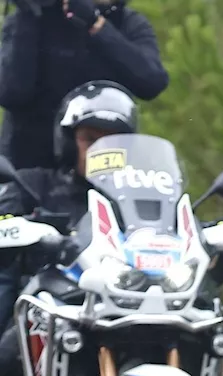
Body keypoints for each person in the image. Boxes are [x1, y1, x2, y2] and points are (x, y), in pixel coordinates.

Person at [0, 80, 139, 376]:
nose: (100, 149)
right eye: (90, 138)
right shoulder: (36, 184)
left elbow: (179, 225)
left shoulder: (139, 199)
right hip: (57, 304)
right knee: (7, 356)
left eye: (111, 140)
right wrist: (19, 226)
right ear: (69, 141)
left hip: (127, 306)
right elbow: (5, 219)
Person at [0, 0, 167, 332]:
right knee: (6, 273)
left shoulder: (127, 24)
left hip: (105, 181)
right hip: (27, 179)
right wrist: (30, 16)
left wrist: (98, 27)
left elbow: (152, 80)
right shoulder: (32, 18)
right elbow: (12, 91)